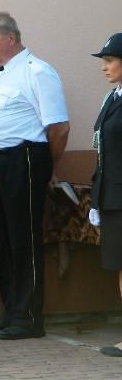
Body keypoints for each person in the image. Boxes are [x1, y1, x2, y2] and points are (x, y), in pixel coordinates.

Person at [0, 12, 70, 339]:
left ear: (10, 38)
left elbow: (59, 127)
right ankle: (12, 308)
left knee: (22, 238)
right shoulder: (1, 75)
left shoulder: (36, 71)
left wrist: (46, 168)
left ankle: (27, 317)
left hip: (21, 161)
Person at [88, 33, 122, 357]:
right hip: (112, 196)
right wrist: (96, 197)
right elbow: (104, 151)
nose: (104, 67)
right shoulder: (112, 98)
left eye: (110, 60)